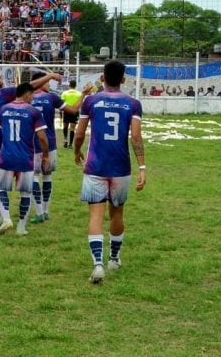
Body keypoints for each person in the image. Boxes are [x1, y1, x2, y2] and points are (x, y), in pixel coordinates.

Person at [74, 60, 146, 285]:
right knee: (117, 214)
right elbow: (135, 137)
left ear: (102, 78)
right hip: (120, 167)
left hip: (96, 166)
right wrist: (142, 167)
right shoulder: (133, 104)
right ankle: (114, 259)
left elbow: (79, 133)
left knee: (95, 215)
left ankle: (98, 264)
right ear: (124, 79)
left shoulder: (91, 101)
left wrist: (76, 151)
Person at [0, 68, 60, 230]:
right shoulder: (2, 94)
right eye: (0, 77)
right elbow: (28, 86)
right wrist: (50, 76)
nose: (2, 80)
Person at [29, 72, 89, 224]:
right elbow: (74, 110)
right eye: (47, 82)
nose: (49, 85)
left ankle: (40, 212)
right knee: (47, 176)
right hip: (49, 142)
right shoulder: (52, 98)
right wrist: (83, 95)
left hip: (32, 142)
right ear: (41, 82)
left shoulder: (26, 98)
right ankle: (46, 211)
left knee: (34, 176)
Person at [0, 82, 50, 236]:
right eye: (32, 95)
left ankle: (6, 219)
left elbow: (1, 130)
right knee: (25, 193)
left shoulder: (4, 109)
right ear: (27, 94)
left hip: (6, 156)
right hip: (26, 158)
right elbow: (42, 138)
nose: (33, 98)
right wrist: (45, 155)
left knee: (1, 189)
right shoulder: (33, 112)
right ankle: (21, 228)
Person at [60, 79, 82, 148]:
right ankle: (70, 144)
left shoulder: (64, 93)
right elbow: (81, 104)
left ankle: (65, 140)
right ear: (75, 85)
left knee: (65, 126)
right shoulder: (79, 94)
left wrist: (61, 113)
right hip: (75, 112)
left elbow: (61, 103)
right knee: (72, 128)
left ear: (69, 85)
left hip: (66, 111)